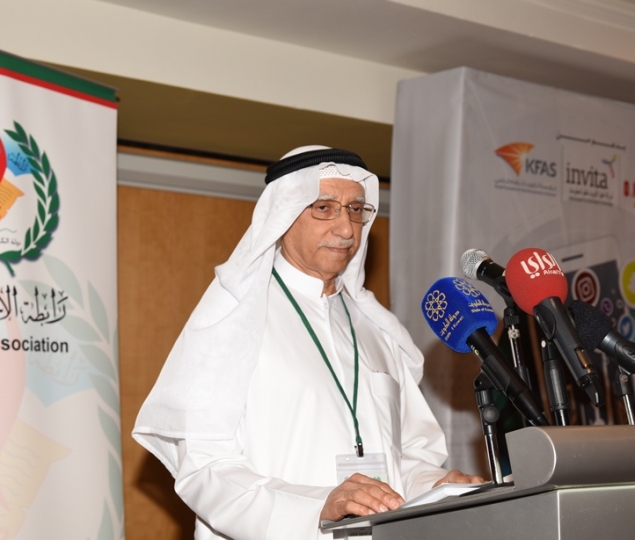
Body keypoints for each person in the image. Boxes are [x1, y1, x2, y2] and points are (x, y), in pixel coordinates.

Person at [133, 145, 483, 539]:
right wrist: (317, 507)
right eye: (324, 208)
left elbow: (407, 456)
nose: (346, 229)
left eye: (355, 210)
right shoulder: (232, 320)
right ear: (283, 214)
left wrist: (435, 486)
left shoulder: (377, 330)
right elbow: (205, 470)